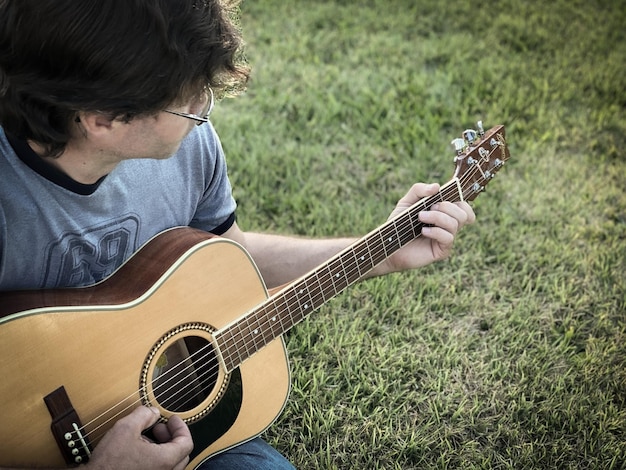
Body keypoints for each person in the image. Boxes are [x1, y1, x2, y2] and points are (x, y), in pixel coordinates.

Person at [0, 0, 475, 469]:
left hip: (176, 428)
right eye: (188, 102)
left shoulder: (192, 147)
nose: (203, 109)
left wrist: (376, 251)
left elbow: (232, 264)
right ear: (102, 119)